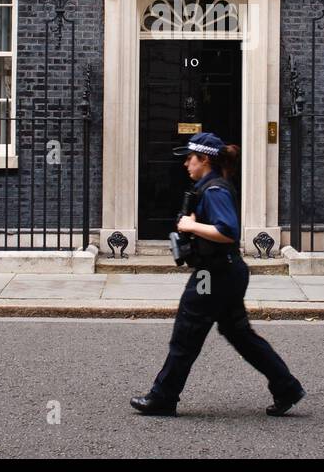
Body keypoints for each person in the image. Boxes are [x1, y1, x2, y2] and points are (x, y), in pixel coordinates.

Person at [131, 132, 306, 417]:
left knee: (186, 335)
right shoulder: (209, 187)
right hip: (225, 272)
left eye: (191, 158)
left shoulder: (214, 191)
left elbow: (228, 231)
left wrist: (190, 226)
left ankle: (163, 397)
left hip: (213, 275)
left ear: (205, 160)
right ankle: (286, 387)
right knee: (240, 335)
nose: (186, 163)